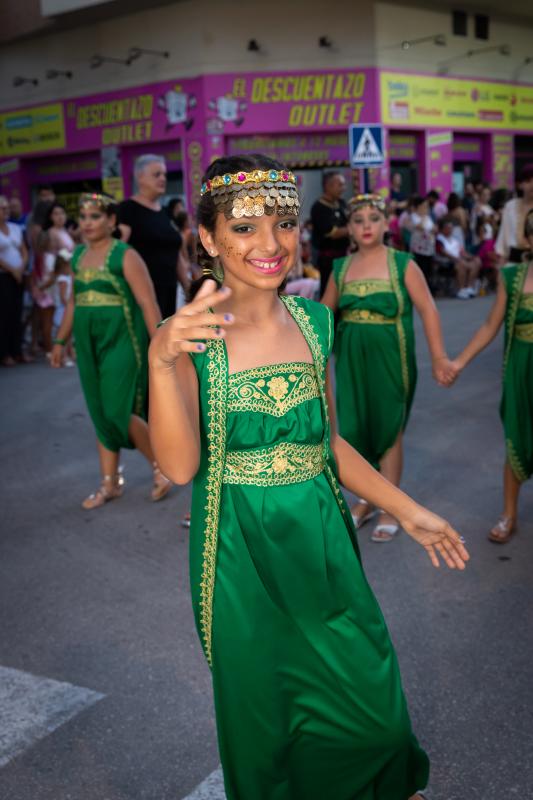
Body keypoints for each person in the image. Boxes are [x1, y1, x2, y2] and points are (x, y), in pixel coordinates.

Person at [148, 155, 469, 800]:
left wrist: (406, 509)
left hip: (322, 540)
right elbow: (180, 467)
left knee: (373, 706)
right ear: (208, 239)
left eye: (284, 224)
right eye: (244, 228)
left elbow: (326, 442)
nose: (271, 246)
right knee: (269, 723)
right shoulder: (188, 338)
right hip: (238, 550)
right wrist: (160, 359)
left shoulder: (316, 322)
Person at [322, 193, 455, 541]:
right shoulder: (341, 268)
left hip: (391, 357)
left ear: (385, 225)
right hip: (351, 358)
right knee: (353, 426)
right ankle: (366, 500)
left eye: (373, 218)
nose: (366, 226)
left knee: (388, 426)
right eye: (359, 220)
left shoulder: (403, 264)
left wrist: (439, 357)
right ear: (349, 229)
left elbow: (428, 308)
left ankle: (391, 507)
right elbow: (322, 316)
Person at [51, 193, 172, 508]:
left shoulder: (125, 255)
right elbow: (73, 304)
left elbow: (148, 303)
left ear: (112, 221)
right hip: (88, 341)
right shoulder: (77, 257)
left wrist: (160, 343)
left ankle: (162, 469)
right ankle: (110, 484)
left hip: (122, 338)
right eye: (85, 218)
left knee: (119, 408)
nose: (88, 224)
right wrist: (60, 341)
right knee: (100, 410)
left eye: (96, 217)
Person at [450, 208, 533, 543]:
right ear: (528, 238)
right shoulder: (513, 277)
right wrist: (458, 363)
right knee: (517, 439)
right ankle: (508, 514)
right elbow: (489, 326)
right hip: (522, 370)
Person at [118, 155, 189, 318]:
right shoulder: (127, 210)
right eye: (156, 175)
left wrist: (188, 288)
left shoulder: (165, 212)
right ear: (140, 177)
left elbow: (175, 253)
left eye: (164, 175)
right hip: (140, 295)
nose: (163, 179)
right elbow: (116, 250)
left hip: (169, 291)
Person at [310, 170, 350, 294]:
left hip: (345, 257)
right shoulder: (319, 207)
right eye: (340, 185)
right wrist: (354, 229)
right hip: (329, 261)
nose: (344, 188)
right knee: (330, 292)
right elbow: (333, 233)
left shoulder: (342, 203)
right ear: (328, 186)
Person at [0, 195, 29, 365]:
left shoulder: (15, 228)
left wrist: (21, 267)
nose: (6, 211)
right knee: (4, 314)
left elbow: (24, 250)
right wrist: (12, 270)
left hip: (18, 275)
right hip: (3, 277)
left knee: (18, 313)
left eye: (7, 208)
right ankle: (5, 353)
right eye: (2, 208)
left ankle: (17, 350)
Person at [495, 164, 533, 264]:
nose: (532, 185)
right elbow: (504, 238)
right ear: (520, 184)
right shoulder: (510, 207)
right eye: (528, 181)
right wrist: (501, 267)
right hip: (514, 265)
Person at [436, 217, 481, 299]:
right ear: (442, 229)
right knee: (461, 264)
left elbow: (462, 252)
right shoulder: (439, 239)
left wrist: (472, 257)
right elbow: (444, 252)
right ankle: (461, 289)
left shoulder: (454, 240)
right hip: (446, 262)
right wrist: (457, 259)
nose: (450, 230)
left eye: (451, 228)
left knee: (477, 261)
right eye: (448, 228)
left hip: (459, 259)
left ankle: (469, 287)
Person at [406, 195, 435, 289]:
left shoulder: (428, 217)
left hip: (429, 248)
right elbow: (420, 227)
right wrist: (423, 218)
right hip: (418, 249)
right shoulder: (413, 217)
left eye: (426, 206)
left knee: (427, 270)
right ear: (417, 207)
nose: (426, 209)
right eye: (423, 206)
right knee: (419, 269)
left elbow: (434, 229)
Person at [52, 249, 75, 366]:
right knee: (64, 334)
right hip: (63, 310)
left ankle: (69, 354)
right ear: (64, 265)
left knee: (69, 335)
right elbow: (63, 297)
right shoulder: (63, 279)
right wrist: (70, 307)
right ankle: (63, 357)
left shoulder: (68, 277)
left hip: (66, 308)